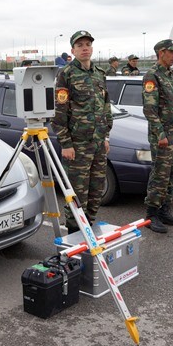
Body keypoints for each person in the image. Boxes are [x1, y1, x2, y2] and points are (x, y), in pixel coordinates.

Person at [52, 30, 112, 234]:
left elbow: (106, 107)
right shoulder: (66, 74)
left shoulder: (99, 74)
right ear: (73, 50)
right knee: (78, 194)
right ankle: (74, 236)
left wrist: (105, 136)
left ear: (92, 48)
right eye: (80, 45)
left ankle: (89, 231)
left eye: (88, 44)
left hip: (97, 144)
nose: (85, 48)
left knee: (96, 191)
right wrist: (66, 143)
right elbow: (59, 113)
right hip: (77, 146)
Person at [142, 39, 173, 233]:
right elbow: (150, 109)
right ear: (162, 53)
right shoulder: (153, 75)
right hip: (162, 134)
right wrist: (160, 133)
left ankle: (165, 210)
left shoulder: (172, 75)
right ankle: (152, 214)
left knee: (172, 172)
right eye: (172, 52)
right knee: (160, 174)